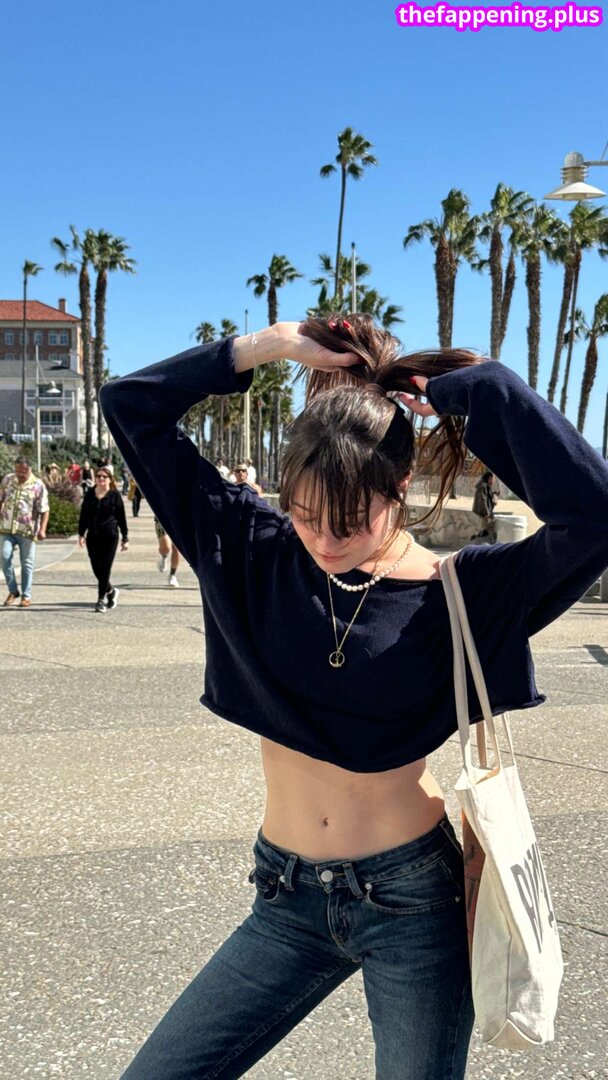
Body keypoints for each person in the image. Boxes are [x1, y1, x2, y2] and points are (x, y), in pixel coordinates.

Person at [101, 316, 608, 1080]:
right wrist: (270, 346)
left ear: (400, 488)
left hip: (412, 904)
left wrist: (484, 393)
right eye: (305, 515)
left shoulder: (461, 592)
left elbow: (594, 517)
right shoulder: (252, 547)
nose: (325, 541)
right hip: (284, 897)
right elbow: (129, 406)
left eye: (348, 521)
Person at [78, 463, 129, 612]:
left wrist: (125, 538)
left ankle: (100, 600)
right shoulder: (90, 494)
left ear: (109, 479)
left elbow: (121, 517)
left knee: (105, 568)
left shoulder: (114, 496)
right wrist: (81, 533)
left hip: (110, 536)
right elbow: (84, 515)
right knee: (96, 568)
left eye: (104, 477)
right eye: (99, 476)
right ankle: (111, 591)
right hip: (93, 536)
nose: (101, 479)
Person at [0, 455, 49, 608]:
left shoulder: (38, 485)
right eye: (18, 471)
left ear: (30, 469)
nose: (20, 474)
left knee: (27, 563)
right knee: (4, 557)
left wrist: (42, 529)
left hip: (27, 530)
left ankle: (26, 596)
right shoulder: (8, 480)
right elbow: (1, 499)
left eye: (24, 471)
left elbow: (45, 509)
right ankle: (13, 591)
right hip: (7, 527)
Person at [471, 469, 497, 543]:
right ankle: (478, 543)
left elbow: (487, 497)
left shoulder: (485, 486)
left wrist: (494, 494)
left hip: (485, 513)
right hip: (484, 513)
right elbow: (482, 500)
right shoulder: (483, 486)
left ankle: (480, 542)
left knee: (484, 530)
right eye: (493, 479)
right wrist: (486, 513)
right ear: (489, 478)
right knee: (483, 531)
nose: (493, 481)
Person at [155, 515, 181, 587]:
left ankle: (172, 574)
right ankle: (164, 556)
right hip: (162, 519)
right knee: (165, 548)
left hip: (179, 520)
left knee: (177, 547)